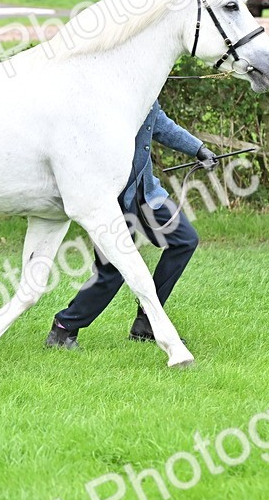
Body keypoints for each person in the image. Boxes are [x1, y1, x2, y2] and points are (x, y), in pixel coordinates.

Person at [46, 102, 218, 349]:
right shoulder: (102, 93)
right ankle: (64, 329)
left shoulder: (144, 87)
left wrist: (198, 149)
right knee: (112, 269)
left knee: (184, 239)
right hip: (108, 200)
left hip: (146, 190)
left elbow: (158, 123)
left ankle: (148, 322)